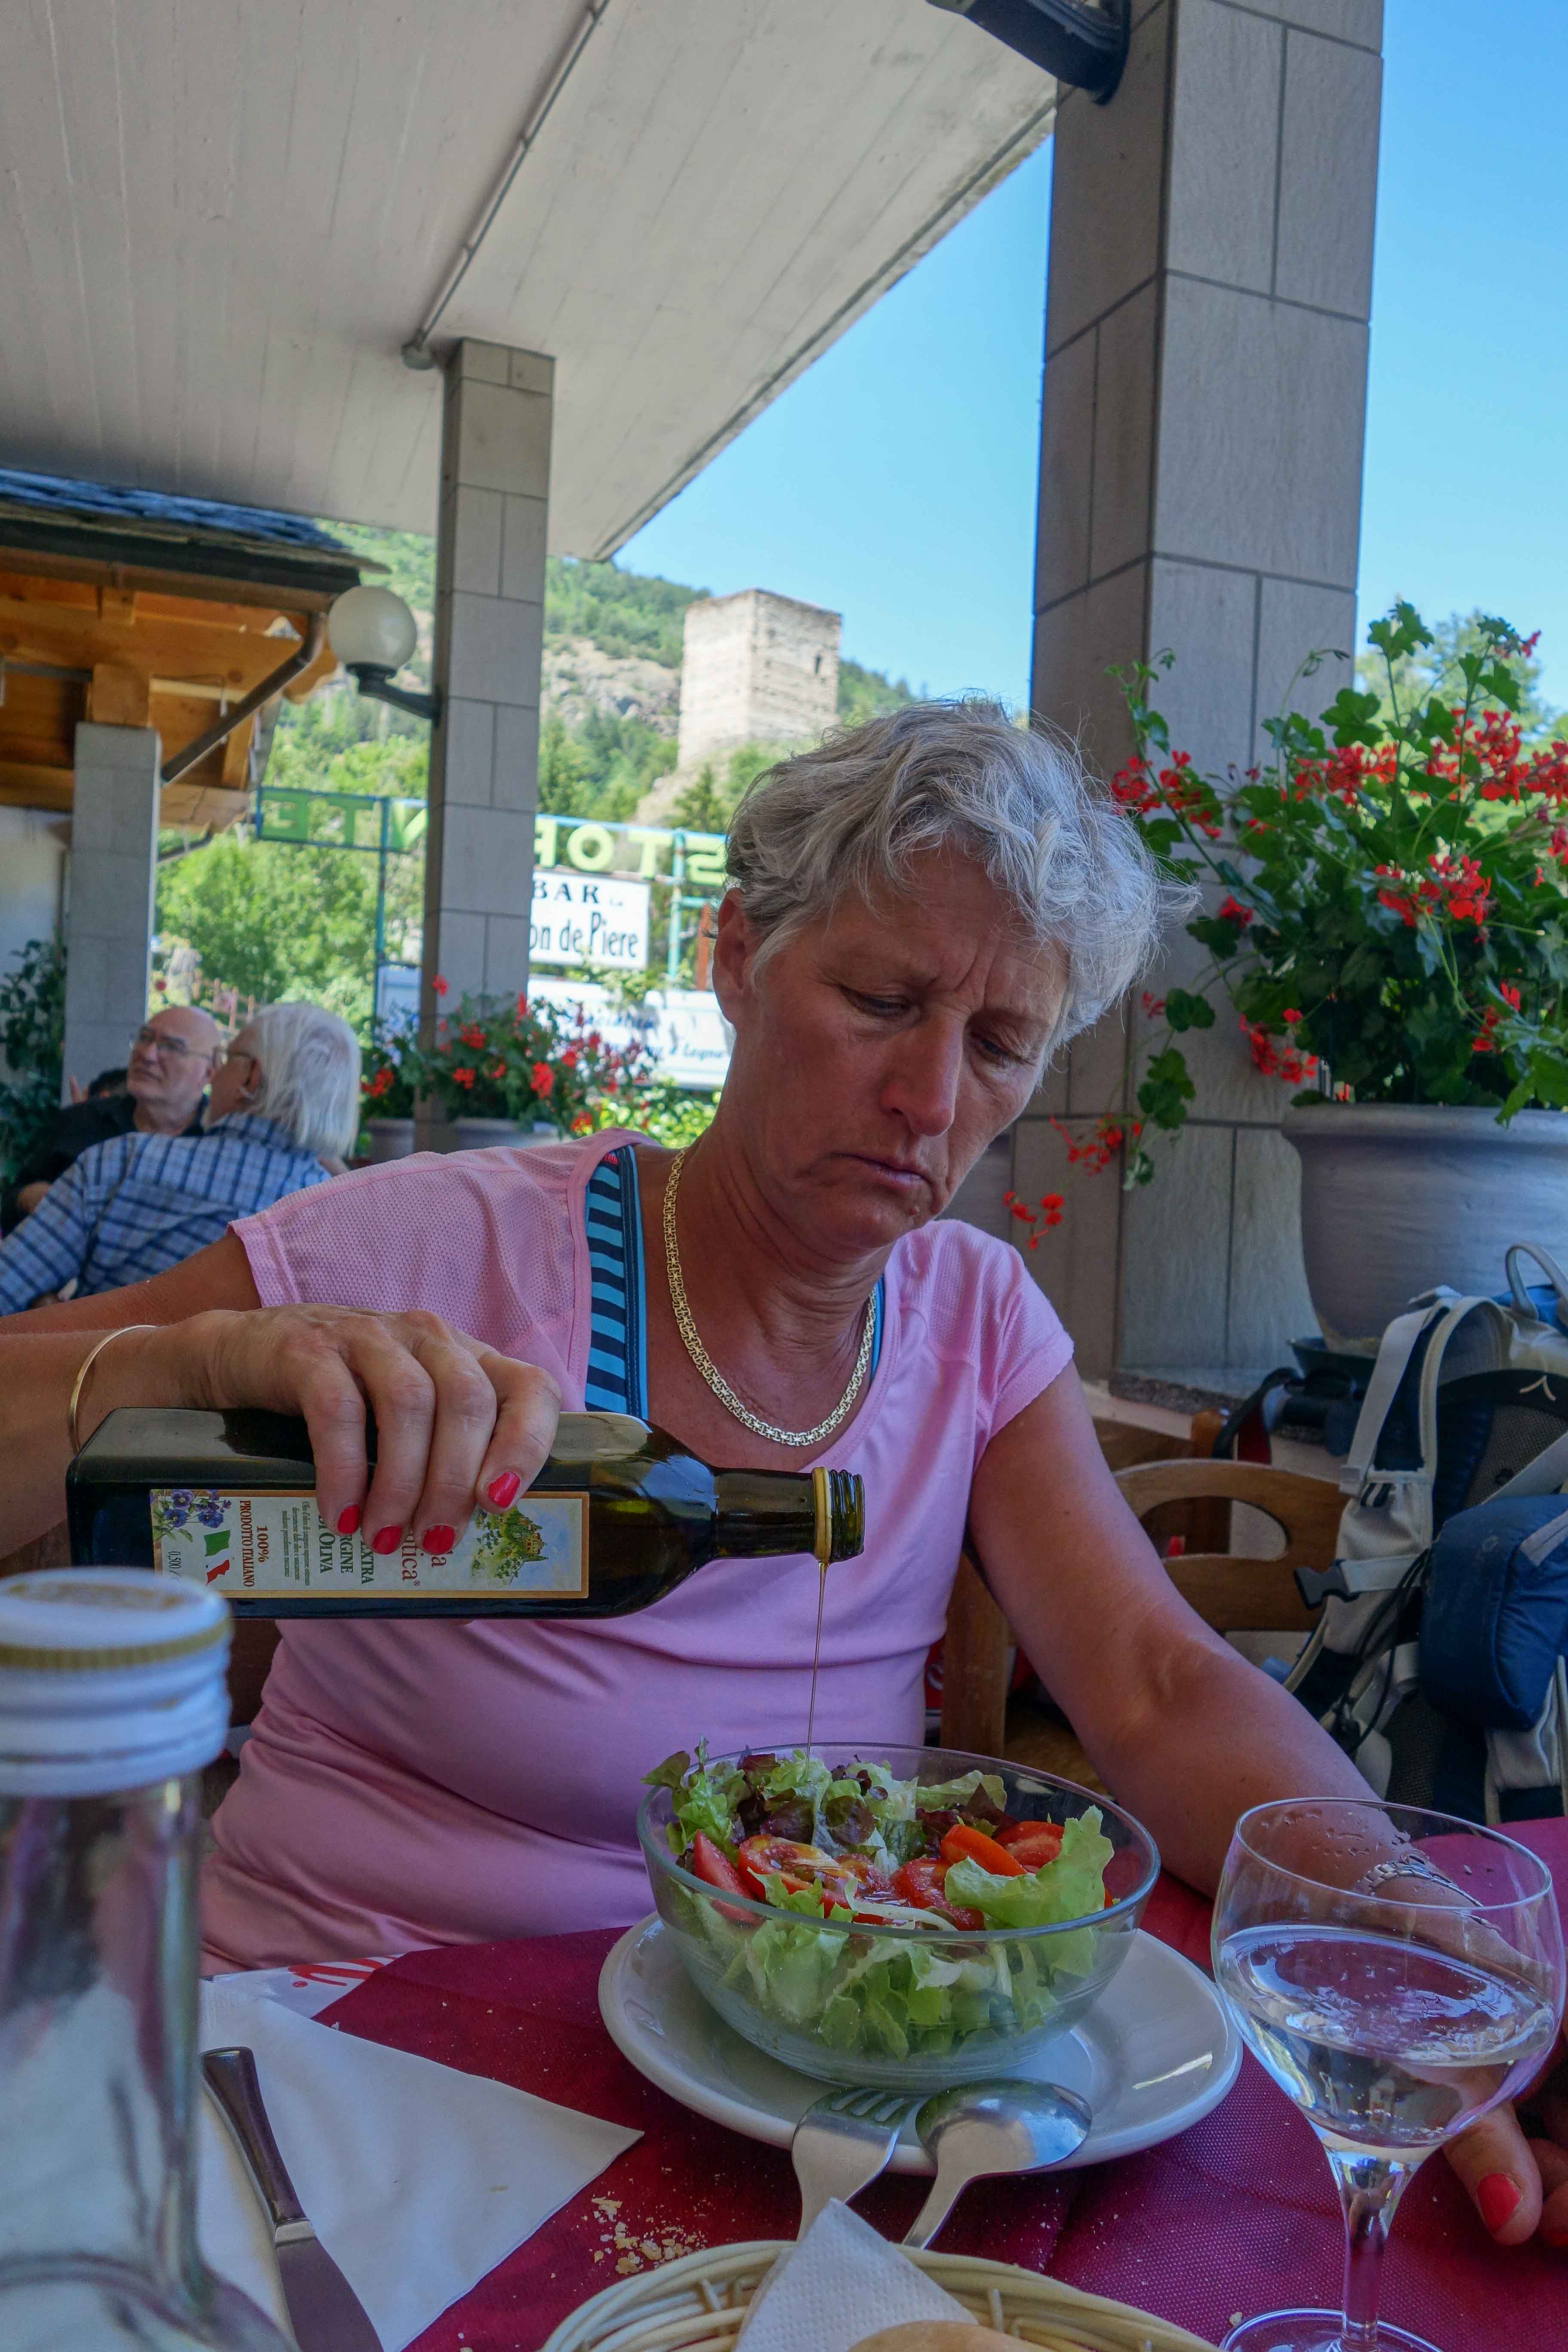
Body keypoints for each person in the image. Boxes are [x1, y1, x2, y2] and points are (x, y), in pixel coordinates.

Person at [1, 703, 1561, 2250]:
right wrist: (178, 1365)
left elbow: (1152, 1678)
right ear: (737, 954)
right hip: (347, 2085)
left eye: (1002, 1042)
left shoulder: (970, 1317)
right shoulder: (436, 1244)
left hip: (804, 2110)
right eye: (882, 1000)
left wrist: (1414, 1933)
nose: (933, 1098)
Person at [0, 1001, 359, 1312]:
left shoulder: (119, 1161)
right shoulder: (341, 1221)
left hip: (95, 1380)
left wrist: (50, 1318)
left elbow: (10, 1284)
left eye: (226, 1060)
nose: (147, 1054)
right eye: (144, 1038)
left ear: (250, 1079)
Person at [3, 1005, 221, 1229]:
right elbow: (10, 1202)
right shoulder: (82, 1120)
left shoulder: (220, 1146)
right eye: (144, 1038)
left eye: (172, 1047)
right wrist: (30, 1197)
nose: (147, 1055)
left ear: (209, 1072)